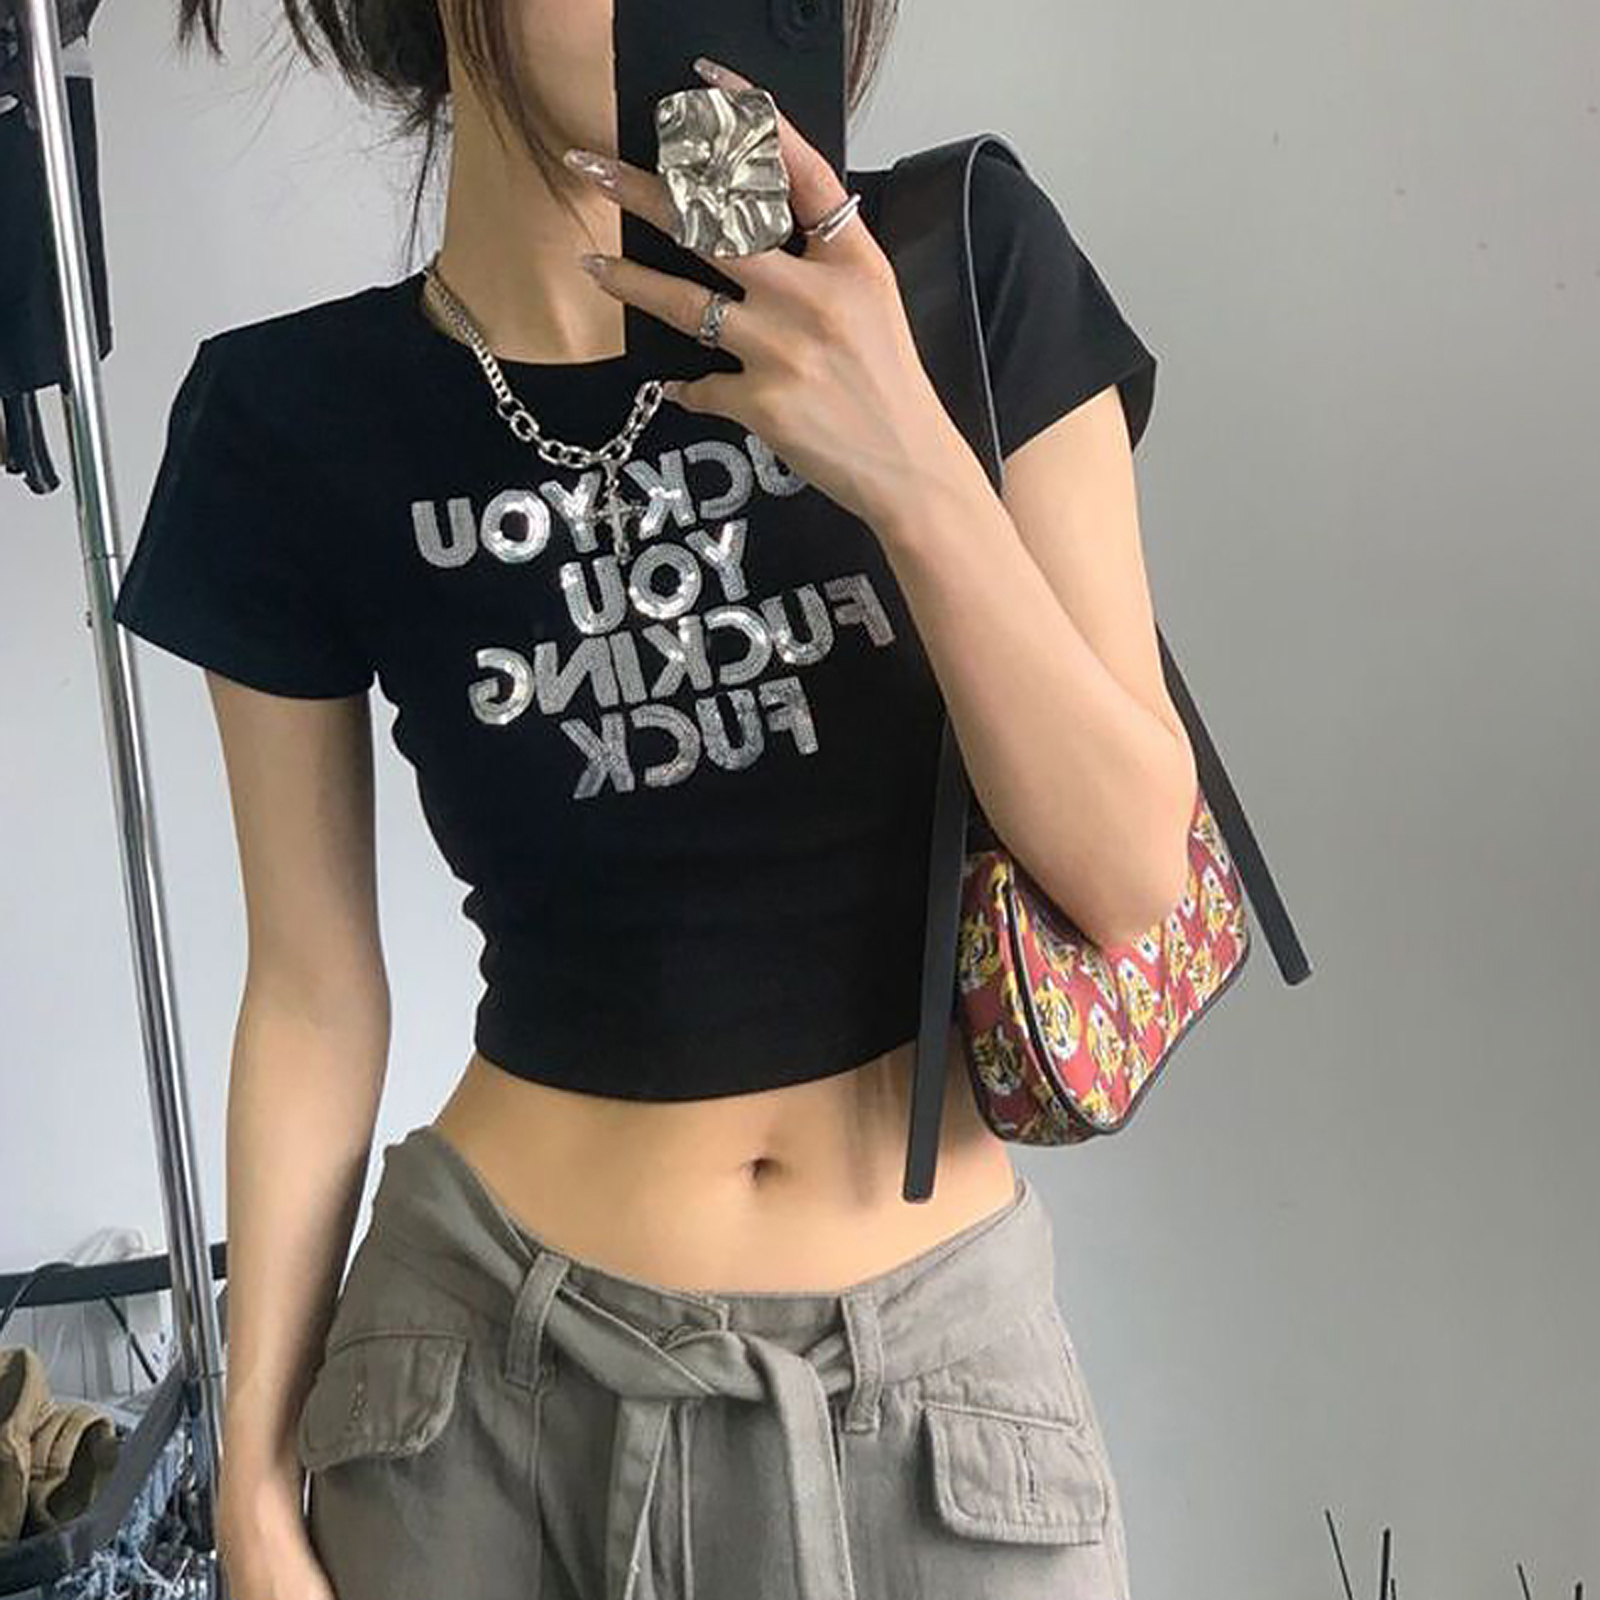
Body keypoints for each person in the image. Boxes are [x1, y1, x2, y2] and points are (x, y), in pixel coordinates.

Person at [113, 3, 1197, 1596]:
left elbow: (1129, 871)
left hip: (929, 1404)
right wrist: (253, 1483)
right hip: (471, 1401)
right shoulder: (286, 417)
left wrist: (909, 462)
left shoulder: (966, 266)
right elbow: (311, 991)